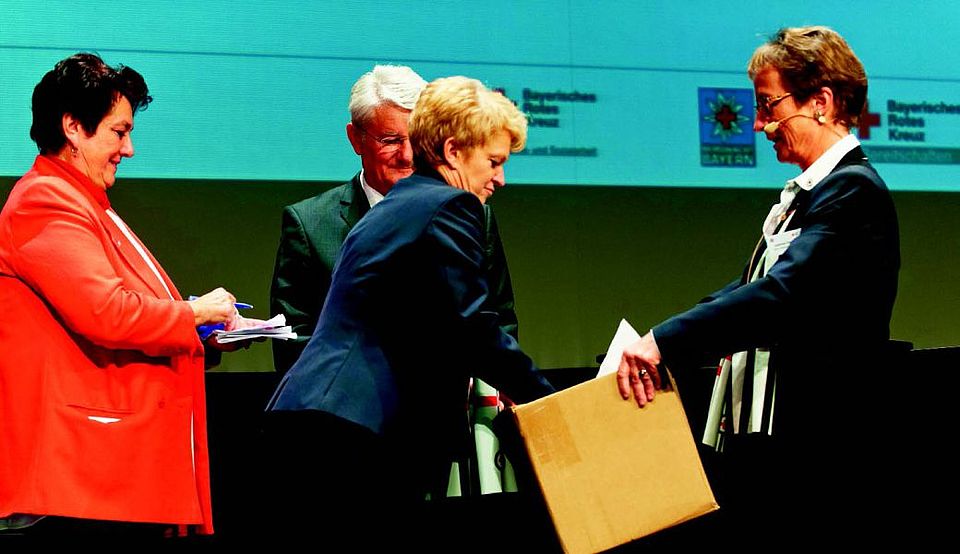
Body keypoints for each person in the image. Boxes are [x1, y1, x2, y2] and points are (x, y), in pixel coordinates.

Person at [616, 27, 900, 543]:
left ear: (821, 103)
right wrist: (663, 338)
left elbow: (780, 295)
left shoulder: (853, 190)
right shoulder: (815, 192)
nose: (758, 124)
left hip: (821, 450)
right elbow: (752, 285)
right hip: (783, 444)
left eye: (769, 106)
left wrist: (663, 341)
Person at [265, 76, 555, 548]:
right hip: (355, 426)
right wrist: (552, 405)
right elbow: (474, 325)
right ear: (453, 151)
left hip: (331, 420)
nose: (500, 179)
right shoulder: (449, 205)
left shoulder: (404, 201)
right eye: (494, 162)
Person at [0, 53, 259, 540]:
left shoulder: (83, 201)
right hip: (84, 475)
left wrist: (202, 332)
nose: (130, 149)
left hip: (109, 472)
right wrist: (194, 312)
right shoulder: (45, 200)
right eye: (119, 133)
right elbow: (108, 312)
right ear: (73, 127)